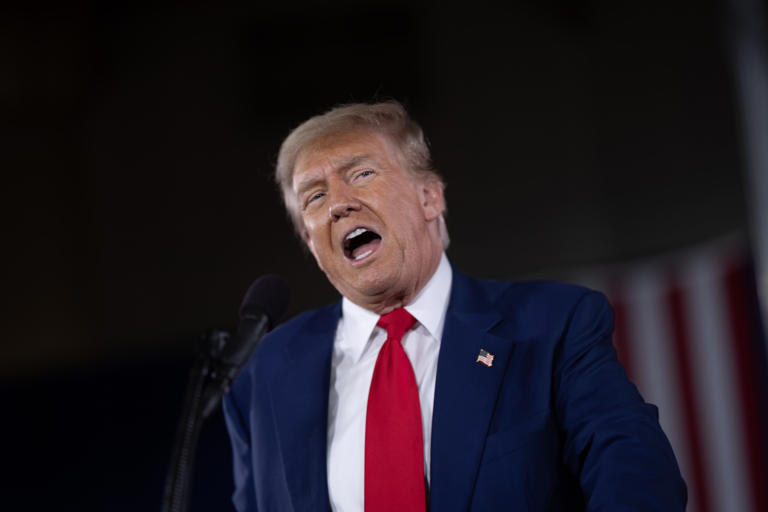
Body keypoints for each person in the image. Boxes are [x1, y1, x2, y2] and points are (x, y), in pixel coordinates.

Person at [222, 101, 687, 511]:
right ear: (310, 240)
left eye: (361, 174)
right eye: (316, 196)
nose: (339, 205)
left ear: (429, 197)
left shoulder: (551, 327)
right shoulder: (262, 374)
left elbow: (634, 473)